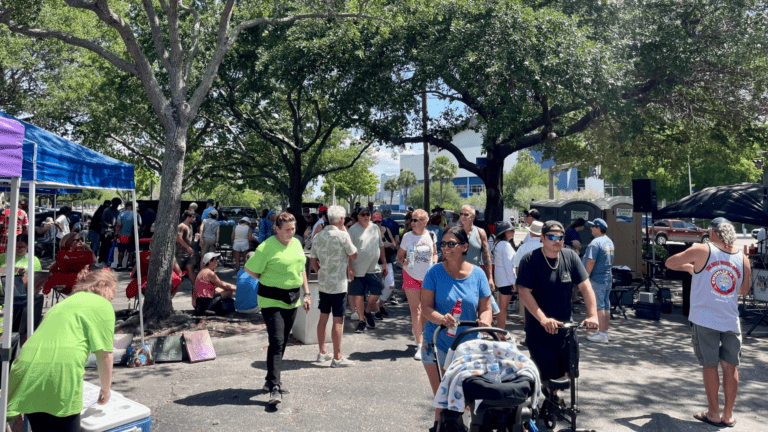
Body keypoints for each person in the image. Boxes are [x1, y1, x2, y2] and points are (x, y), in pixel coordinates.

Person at [6, 268, 116, 432]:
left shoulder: (64, 303)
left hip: (26, 365)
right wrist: (106, 389)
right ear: (105, 286)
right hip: (60, 373)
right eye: (113, 292)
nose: (113, 297)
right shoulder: (102, 304)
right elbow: (105, 355)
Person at [665, 218, 750, 428]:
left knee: (709, 365)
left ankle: (713, 413)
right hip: (730, 319)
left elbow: (669, 263)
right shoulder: (743, 257)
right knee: (731, 367)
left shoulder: (701, 249)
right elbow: (744, 290)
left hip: (705, 319)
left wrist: (690, 268)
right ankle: (728, 415)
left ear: (712, 233)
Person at [420, 226, 493, 430]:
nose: (446, 247)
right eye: (443, 243)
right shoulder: (434, 272)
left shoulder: (477, 274)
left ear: (464, 247)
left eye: (451, 244)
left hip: (468, 348)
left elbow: (486, 308)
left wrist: (485, 321)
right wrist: (441, 319)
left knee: (467, 401)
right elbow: (425, 307)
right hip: (438, 345)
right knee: (443, 402)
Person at [516, 221, 599, 386]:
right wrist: (543, 319)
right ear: (542, 238)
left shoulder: (570, 256)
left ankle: (558, 404)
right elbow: (524, 292)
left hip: (565, 328)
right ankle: (550, 402)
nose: (557, 240)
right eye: (552, 236)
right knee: (546, 378)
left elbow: (585, 286)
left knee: (570, 372)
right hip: (539, 328)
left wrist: (593, 316)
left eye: (561, 237)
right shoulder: (530, 260)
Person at [244, 212, 311, 406]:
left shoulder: (297, 243)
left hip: (292, 298)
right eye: (287, 229)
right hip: (271, 298)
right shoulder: (266, 247)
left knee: (280, 343)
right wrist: (267, 281)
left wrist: (306, 293)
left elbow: (301, 270)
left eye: (293, 228)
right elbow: (249, 268)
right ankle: (274, 386)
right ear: (277, 228)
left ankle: (269, 380)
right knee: (277, 340)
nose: (291, 233)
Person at [310, 205, 358, 367]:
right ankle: (337, 357)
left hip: (324, 283)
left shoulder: (318, 236)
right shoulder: (343, 236)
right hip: (338, 285)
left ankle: (322, 352)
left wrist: (320, 273)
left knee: (323, 318)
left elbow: (312, 260)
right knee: (338, 320)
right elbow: (354, 255)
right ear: (342, 219)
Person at [397, 208, 438, 359]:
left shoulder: (431, 235)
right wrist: (404, 261)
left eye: (415, 220)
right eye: (411, 219)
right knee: (416, 310)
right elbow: (399, 257)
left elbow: (435, 253)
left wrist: (434, 263)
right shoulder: (407, 237)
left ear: (424, 221)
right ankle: (420, 345)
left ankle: (422, 336)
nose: (411, 222)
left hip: (427, 277)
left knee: (426, 310)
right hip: (410, 275)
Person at [348, 206, 389, 333]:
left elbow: (381, 246)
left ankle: (367, 312)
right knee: (359, 296)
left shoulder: (375, 228)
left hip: (374, 268)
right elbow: (348, 251)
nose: (366, 216)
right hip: (357, 269)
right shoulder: (352, 230)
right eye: (363, 214)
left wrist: (384, 263)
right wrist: (349, 268)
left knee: (376, 293)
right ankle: (361, 321)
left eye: (368, 214)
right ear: (358, 216)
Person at [582, 218, 615, 343]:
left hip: (597, 278)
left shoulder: (595, 243)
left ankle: (601, 335)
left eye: (592, 227)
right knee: (606, 305)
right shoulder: (609, 241)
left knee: (598, 306)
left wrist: (586, 277)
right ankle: (605, 332)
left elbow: (591, 261)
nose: (591, 229)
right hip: (607, 277)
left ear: (598, 228)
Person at [512, 221, 543, 324]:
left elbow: (516, 265)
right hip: (542, 278)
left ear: (531, 233)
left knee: (526, 303)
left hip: (525, 279)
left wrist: (518, 279)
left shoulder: (523, 247)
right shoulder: (545, 246)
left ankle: (526, 320)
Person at [459, 205, 495, 292]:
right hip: (457, 275)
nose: (463, 217)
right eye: (461, 214)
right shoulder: (455, 232)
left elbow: (486, 256)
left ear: (473, 216)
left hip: (474, 276)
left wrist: (490, 278)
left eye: (466, 214)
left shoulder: (480, 232)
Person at [372, 211, 398, 319]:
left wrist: (389, 244)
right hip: (374, 263)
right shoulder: (370, 232)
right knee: (377, 287)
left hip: (387, 262)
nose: (377, 223)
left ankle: (379, 305)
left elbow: (394, 245)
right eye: (375, 221)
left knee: (390, 285)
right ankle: (377, 310)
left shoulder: (386, 230)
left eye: (379, 221)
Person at [493, 221, 516, 332]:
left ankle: (499, 331)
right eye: (511, 230)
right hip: (506, 280)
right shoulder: (505, 245)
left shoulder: (499, 243)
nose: (513, 232)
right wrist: (513, 282)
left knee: (500, 308)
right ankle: (501, 333)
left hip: (501, 280)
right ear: (505, 232)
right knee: (503, 309)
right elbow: (508, 265)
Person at [115, 201, 141, 270]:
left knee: (121, 251)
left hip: (122, 236)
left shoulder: (121, 214)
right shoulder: (136, 214)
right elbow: (140, 223)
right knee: (131, 251)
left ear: (126, 207)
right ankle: (130, 265)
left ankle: (120, 265)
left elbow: (118, 225)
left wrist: (116, 234)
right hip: (131, 236)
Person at [176, 210, 197, 285]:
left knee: (191, 271)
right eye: (193, 217)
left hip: (189, 253)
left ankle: (196, 290)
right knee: (178, 272)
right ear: (188, 217)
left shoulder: (190, 226)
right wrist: (187, 247)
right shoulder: (181, 226)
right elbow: (179, 238)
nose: (194, 219)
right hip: (180, 253)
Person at [99, 197, 122, 266]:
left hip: (113, 232)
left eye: (117, 204)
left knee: (111, 247)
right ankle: (101, 260)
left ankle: (108, 261)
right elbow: (102, 221)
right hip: (106, 231)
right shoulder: (106, 210)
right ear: (112, 203)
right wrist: (109, 225)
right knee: (104, 247)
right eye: (115, 204)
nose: (116, 205)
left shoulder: (117, 212)